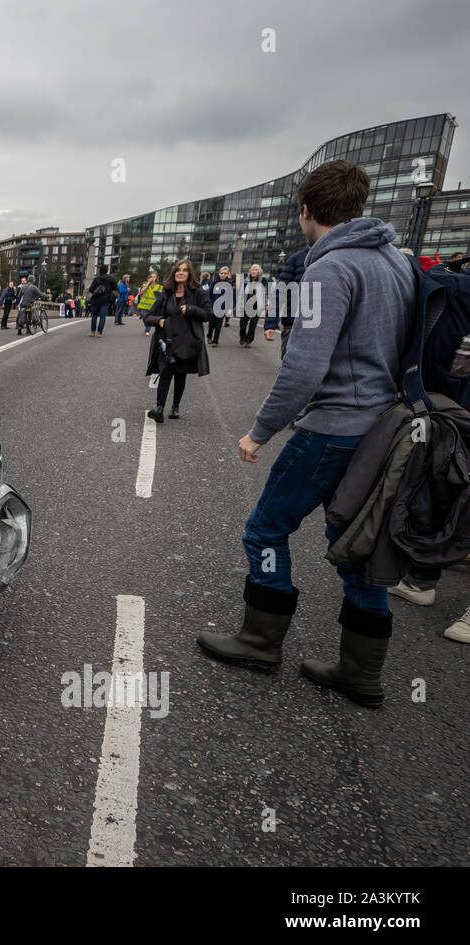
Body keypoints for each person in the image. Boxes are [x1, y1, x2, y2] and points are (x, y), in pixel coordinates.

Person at [196, 160, 414, 707]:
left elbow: (304, 366)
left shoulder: (330, 269)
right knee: (360, 547)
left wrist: (260, 431)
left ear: (306, 211)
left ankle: (259, 639)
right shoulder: (397, 264)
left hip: (334, 428)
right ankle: (360, 674)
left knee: (266, 531)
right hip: (386, 428)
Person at [143, 259, 212, 422]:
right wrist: (159, 320)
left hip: (187, 342)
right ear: (174, 274)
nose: (180, 272)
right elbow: (148, 317)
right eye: (177, 270)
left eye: (184, 270)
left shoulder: (199, 293)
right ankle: (159, 408)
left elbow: (208, 314)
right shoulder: (166, 294)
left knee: (181, 374)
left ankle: (175, 406)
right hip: (167, 340)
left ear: (189, 274)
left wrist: (191, 309)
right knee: (165, 371)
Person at [265, 246, 309, 357]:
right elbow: (280, 292)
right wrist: (271, 323)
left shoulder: (340, 256)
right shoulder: (296, 259)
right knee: (289, 366)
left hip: (329, 327)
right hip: (293, 323)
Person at [238, 263, 267, 347]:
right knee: (243, 323)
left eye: (256, 270)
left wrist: (266, 304)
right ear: (250, 271)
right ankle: (242, 337)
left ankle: (249, 340)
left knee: (252, 325)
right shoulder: (246, 281)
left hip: (257, 306)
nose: (254, 271)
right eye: (252, 270)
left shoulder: (263, 280)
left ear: (259, 272)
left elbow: (266, 293)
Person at [208, 265, 235, 345]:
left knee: (218, 326)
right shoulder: (214, 283)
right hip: (213, 307)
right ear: (219, 273)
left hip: (223, 309)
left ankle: (215, 341)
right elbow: (209, 295)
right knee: (211, 325)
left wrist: (230, 309)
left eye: (225, 273)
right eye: (221, 273)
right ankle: (209, 336)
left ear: (227, 274)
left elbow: (230, 298)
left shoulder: (229, 285)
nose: (223, 274)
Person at [87, 264, 116, 337]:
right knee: (102, 317)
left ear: (100, 270)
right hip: (105, 300)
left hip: (96, 300)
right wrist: (109, 289)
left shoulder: (96, 278)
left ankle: (92, 332)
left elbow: (91, 289)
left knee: (94, 316)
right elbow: (115, 288)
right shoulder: (111, 278)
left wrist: (97, 291)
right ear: (107, 270)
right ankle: (99, 332)